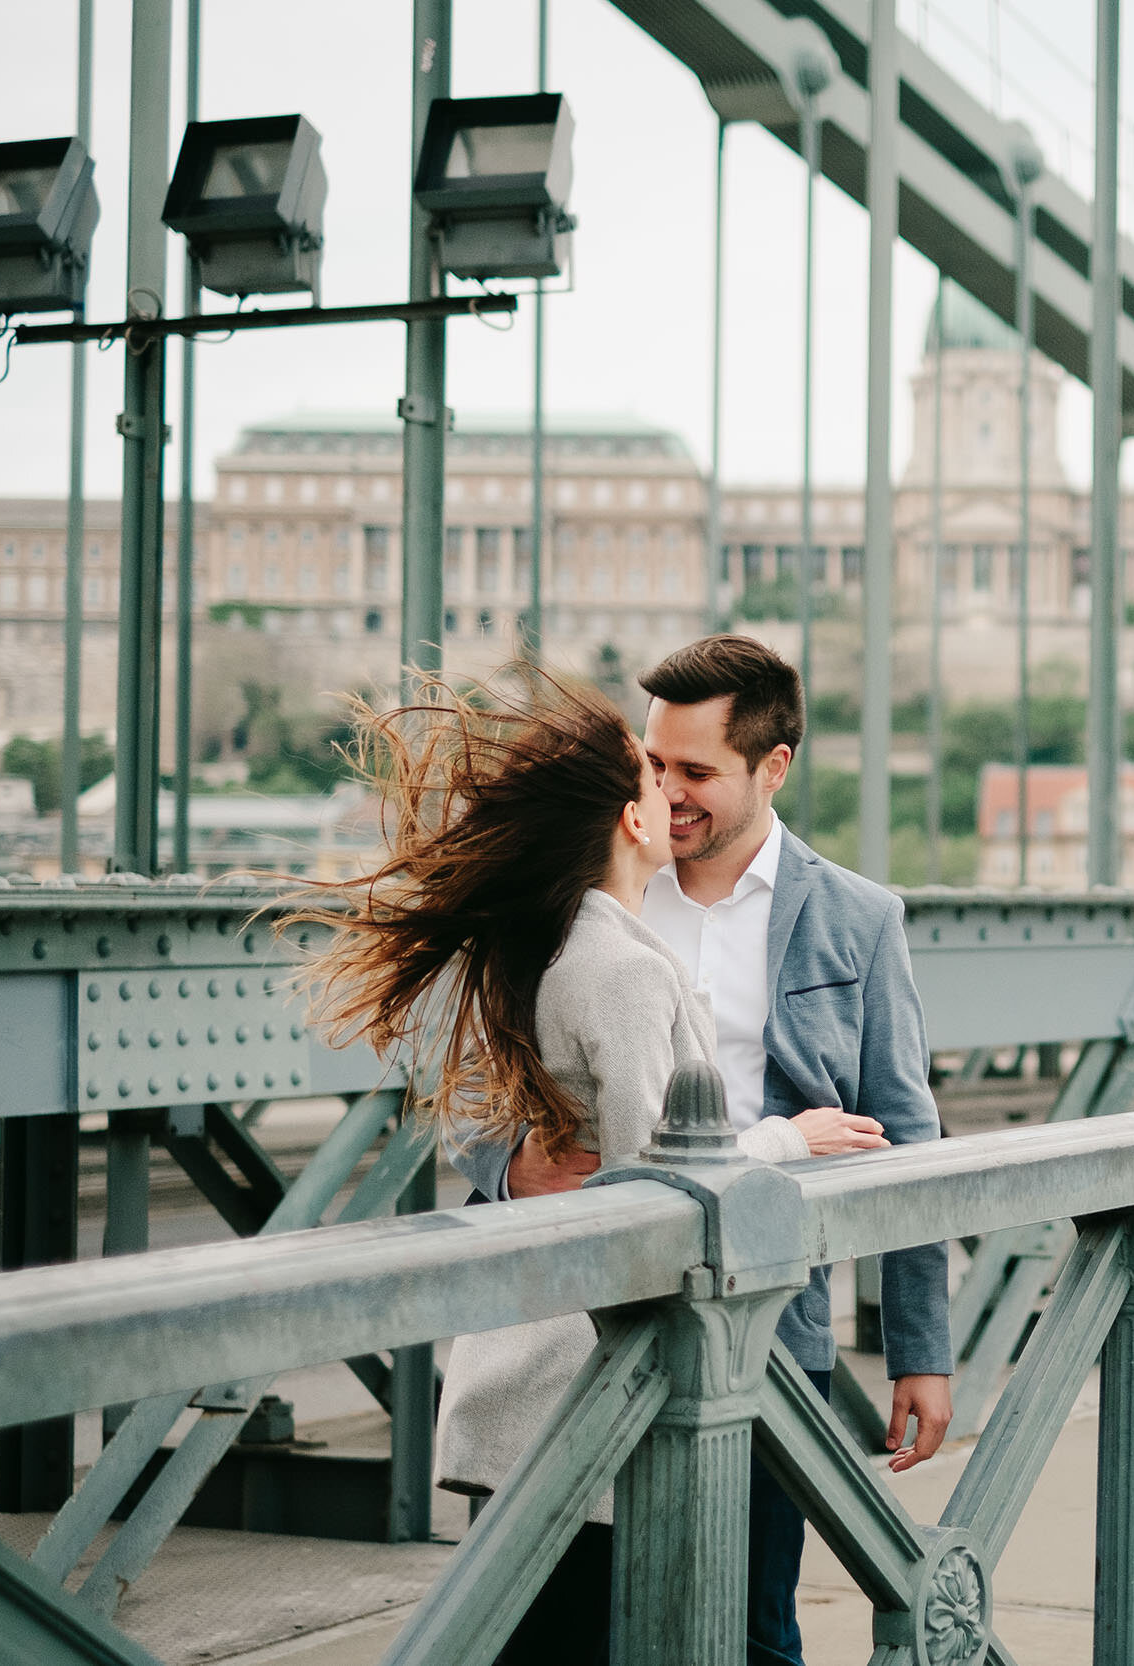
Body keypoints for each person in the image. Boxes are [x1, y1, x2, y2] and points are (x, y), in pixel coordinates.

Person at [289, 667, 891, 1664]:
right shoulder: (616, 964)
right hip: (582, 1393)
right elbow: (660, 1180)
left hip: (548, 1381)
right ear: (631, 818)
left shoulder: (569, 943)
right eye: (655, 778)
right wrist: (795, 1137)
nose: (671, 794)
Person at [448, 634, 955, 1666]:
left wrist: (921, 1350)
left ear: (772, 767)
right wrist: (505, 1165)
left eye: (697, 771)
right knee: (554, 1620)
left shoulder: (857, 919)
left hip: (769, 1329)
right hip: (586, 1332)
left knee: (752, 1629)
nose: (667, 792)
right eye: (656, 762)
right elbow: (475, 1074)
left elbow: (904, 1134)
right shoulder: (586, 890)